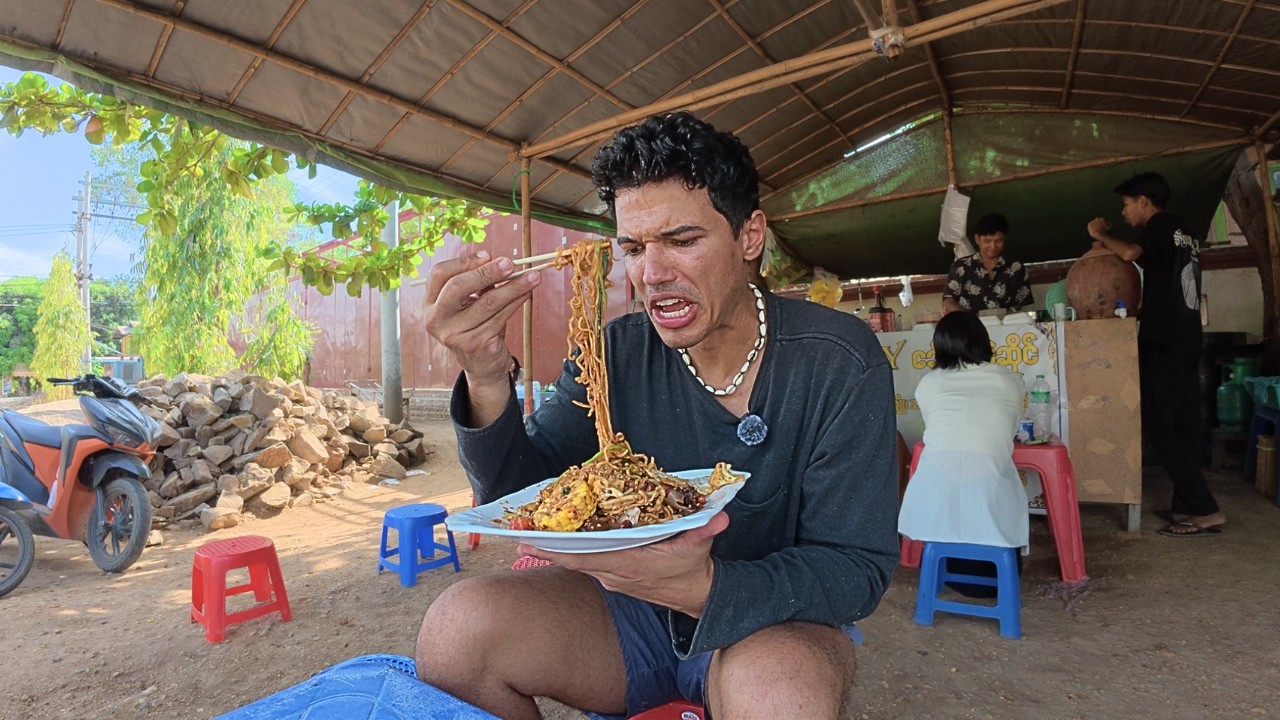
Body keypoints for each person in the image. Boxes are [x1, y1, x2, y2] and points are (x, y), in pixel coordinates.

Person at [415, 111, 899, 719]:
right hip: (628, 615)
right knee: (455, 633)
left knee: (777, 698)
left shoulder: (838, 360)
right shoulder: (615, 351)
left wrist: (704, 589)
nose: (651, 274)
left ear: (750, 236)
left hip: (773, 622)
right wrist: (486, 375)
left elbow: (854, 568)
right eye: (634, 247)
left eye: (683, 240)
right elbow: (521, 497)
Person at [1086, 172, 1224, 537]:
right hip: (1189, 334)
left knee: (1159, 425)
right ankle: (1186, 506)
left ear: (1144, 201)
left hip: (1164, 338)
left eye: (1127, 203)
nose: (1125, 211)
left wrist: (1100, 234)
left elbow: (1130, 253)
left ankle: (1207, 508)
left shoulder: (1159, 224)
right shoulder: (1184, 230)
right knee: (1183, 424)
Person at [897, 311, 1027, 597]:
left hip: (938, 503)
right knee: (997, 484)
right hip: (996, 538)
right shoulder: (1009, 380)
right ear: (983, 341)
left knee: (944, 479)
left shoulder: (929, 384)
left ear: (939, 345)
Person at [941, 213, 1034, 315]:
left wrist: (1007, 316)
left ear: (1005, 239)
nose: (993, 246)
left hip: (1006, 327)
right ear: (977, 239)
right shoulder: (960, 267)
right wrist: (970, 318)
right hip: (970, 327)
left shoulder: (1016, 268)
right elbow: (948, 302)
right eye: (987, 241)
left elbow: (1021, 302)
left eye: (998, 241)